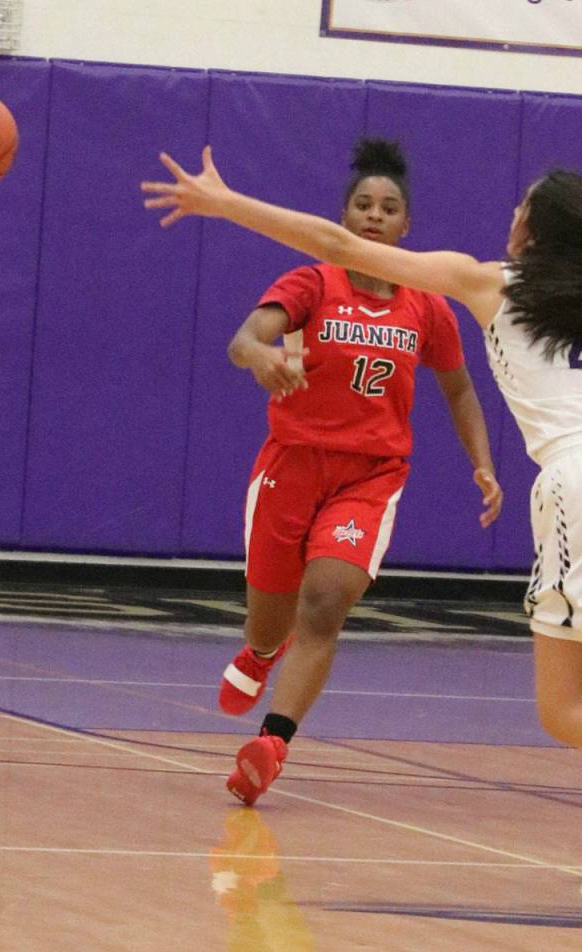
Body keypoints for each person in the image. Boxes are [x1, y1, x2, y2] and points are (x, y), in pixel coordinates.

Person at [141, 147, 582, 889]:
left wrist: (227, 204)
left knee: (563, 705)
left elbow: (340, 245)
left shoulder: (489, 282)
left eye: (522, 207)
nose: (511, 216)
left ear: (532, 231)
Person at [163, 138, 502, 808]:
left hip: (370, 477)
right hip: (292, 464)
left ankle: (272, 745)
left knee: (324, 603)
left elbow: (459, 390)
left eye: (389, 208)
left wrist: (483, 463)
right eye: (363, 205)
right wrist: (261, 358)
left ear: (407, 227)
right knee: (269, 621)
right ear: (345, 218)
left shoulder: (428, 305)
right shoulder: (314, 281)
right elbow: (244, 338)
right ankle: (261, 655)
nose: (375, 216)